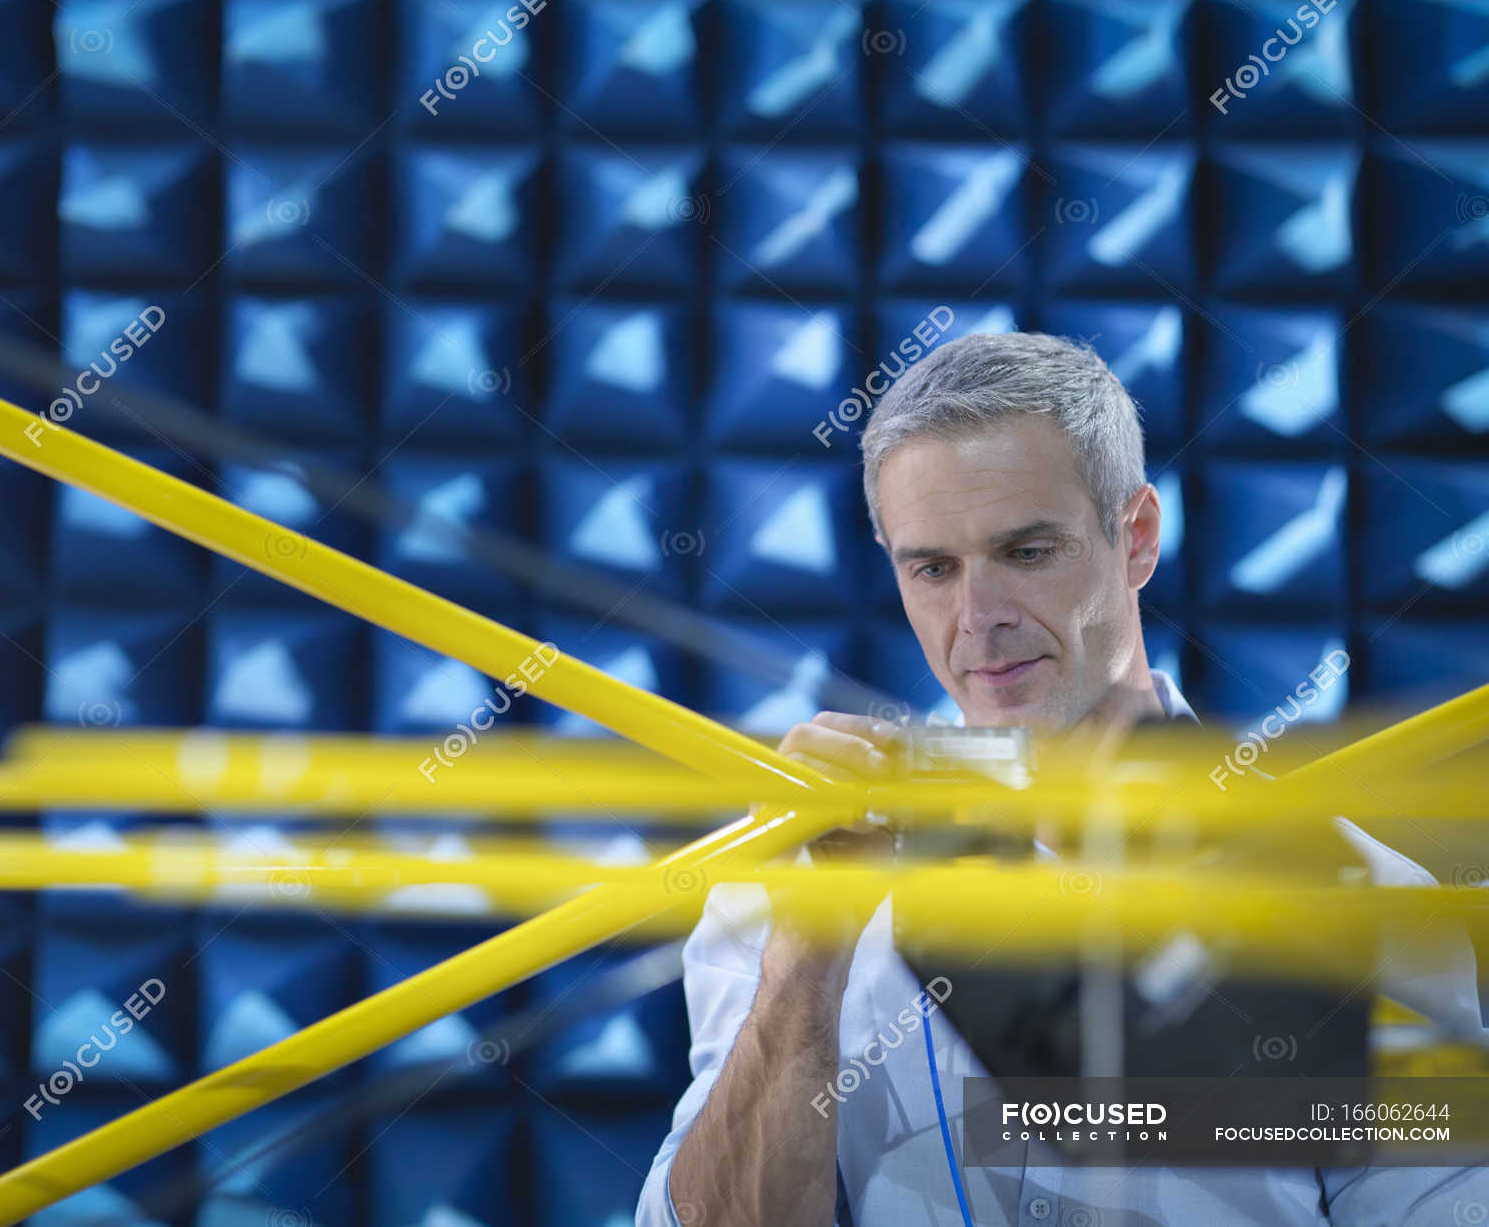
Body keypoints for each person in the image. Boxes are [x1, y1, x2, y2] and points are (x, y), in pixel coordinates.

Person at [636, 332, 1485, 1226]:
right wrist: (805, 967)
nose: (980, 620)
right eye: (933, 569)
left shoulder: (1364, 903)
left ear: (1137, 538)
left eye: (1028, 553)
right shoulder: (784, 880)